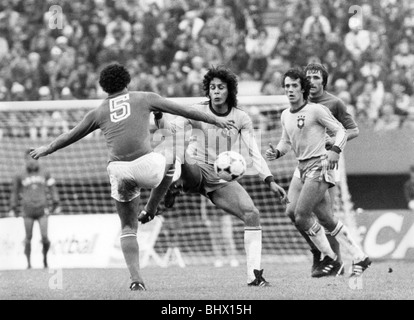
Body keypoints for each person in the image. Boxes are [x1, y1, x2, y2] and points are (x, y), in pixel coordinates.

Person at [29, 63, 236, 292]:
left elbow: (71, 135)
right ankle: (152, 206)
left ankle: (136, 280)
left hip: (118, 170)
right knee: (174, 153)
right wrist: (217, 120)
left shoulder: (98, 111)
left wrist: (47, 148)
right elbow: (185, 111)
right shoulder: (144, 97)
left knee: (128, 226)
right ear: (127, 82)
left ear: (104, 88)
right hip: (147, 166)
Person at [139, 66, 288, 287]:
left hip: (220, 178)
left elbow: (255, 153)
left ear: (230, 91)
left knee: (252, 213)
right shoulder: (197, 110)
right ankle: (172, 185)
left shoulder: (241, 118)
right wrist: (159, 117)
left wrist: (270, 180)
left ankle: (254, 275)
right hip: (195, 166)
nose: (216, 91)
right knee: (175, 150)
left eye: (220, 87)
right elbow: (169, 128)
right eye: (212, 87)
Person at [266, 68, 371, 278]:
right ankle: (360, 257)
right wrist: (277, 152)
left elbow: (342, 131)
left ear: (303, 88)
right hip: (301, 166)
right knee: (318, 217)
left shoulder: (317, 110)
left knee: (302, 215)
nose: (290, 90)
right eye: (287, 86)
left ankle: (330, 258)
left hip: (320, 164)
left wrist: (335, 150)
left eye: (294, 85)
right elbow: (286, 141)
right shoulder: (285, 114)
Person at [293, 62, 360, 276]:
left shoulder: (334, 102)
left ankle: (336, 262)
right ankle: (318, 252)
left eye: (316, 77)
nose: (312, 81)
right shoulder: (300, 101)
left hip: (326, 163)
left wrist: (333, 140)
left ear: (324, 81)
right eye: (309, 77)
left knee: (326, 215)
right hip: (303, 162)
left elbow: (353, 129)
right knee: (291, 211)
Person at [8, 149, 60, 269]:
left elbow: (52, 188)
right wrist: (13, 207)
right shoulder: (19, 174)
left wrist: (56, 202)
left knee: (45, 237)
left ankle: (45, 260)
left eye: (34, 159)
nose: (32, 162)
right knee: (28, 237)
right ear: (25, 160)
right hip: (27, 210)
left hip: (42, 209)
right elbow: (14, 192)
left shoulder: (45, 172)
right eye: (29, 159)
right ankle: (28, 264)